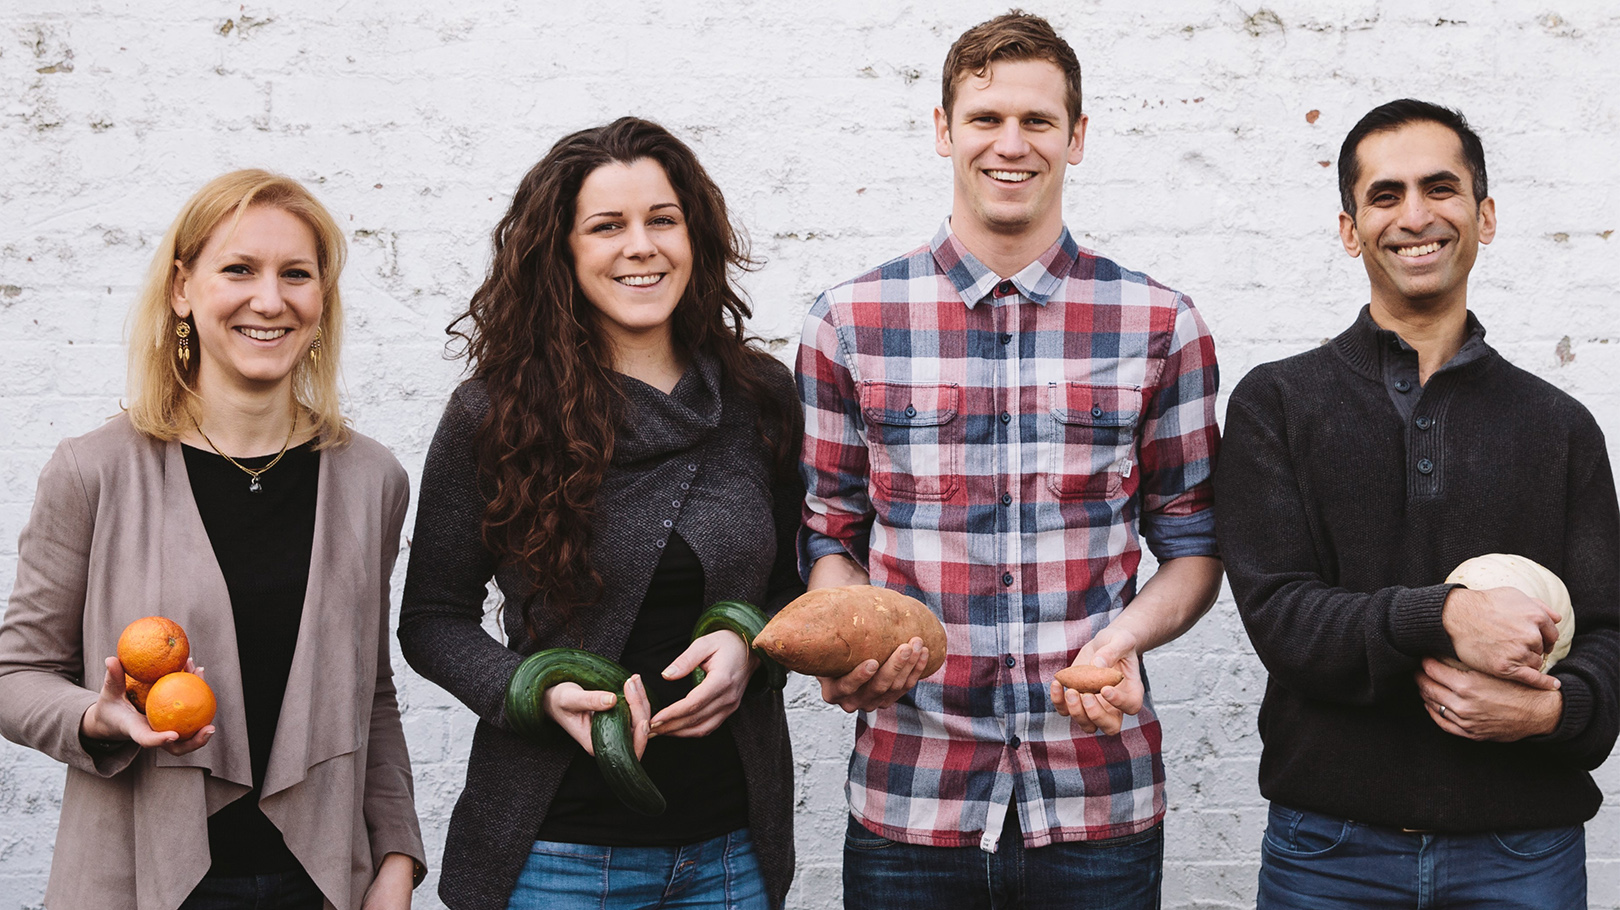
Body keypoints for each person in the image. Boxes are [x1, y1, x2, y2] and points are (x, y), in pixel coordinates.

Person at [795, 12, 1223, 908]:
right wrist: (851, 628)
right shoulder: (850, 323)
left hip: (1097, 798)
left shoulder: (1158, 324)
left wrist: (1130, 637)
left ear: (1076, 137)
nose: (1011, 144)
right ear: (945, 130)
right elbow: (829, 528)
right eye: (986, 119)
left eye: (1037, 121)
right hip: (912, 796)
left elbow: (1192, 546)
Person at [1215, 99, 1619, 908]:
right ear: (1350, 228)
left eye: (1442, 188)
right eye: (1386, 195)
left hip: (1522, 850)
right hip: (1327, 850)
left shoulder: (1560, 426)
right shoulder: (1277, 403)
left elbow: (1609, 630)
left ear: (1485, 215)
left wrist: (1555, 710)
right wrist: (1445, 615)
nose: (1416, 216)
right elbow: (1282, 619)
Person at [397, 117, 804, 910]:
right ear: (564, 250)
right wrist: (532, 688)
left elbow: (799, 587)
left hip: (732, 857)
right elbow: (433, 620)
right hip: (556, 857)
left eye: (662, 219)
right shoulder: (496, 414)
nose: (640, 245)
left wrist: (752, 641)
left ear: (695, 235)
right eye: (607, 226)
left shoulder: (759, 397)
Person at [0, 170, 426, 910]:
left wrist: (395, 853)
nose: (270, 299)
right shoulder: (94, 471)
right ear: (182, 290)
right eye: (238, 269)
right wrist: (95, 719)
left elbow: (371, 691)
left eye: (297, 274)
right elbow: (15, 674)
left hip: (321, 882)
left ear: (321, 304)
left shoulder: (371, 480)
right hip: (136, 881)